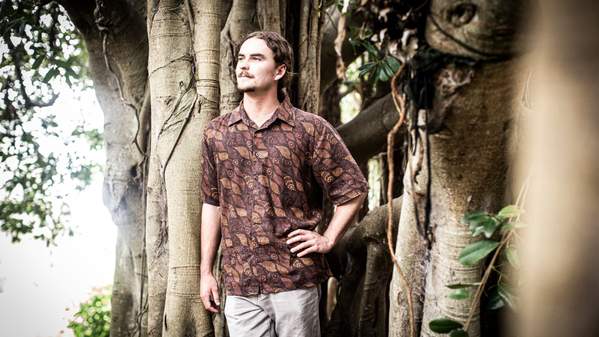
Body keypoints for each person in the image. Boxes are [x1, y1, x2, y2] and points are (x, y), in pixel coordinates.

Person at [199, 31, 368, 337]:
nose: (243, 66)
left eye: (256, 58)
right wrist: (206, 272)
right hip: (240, 284)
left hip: (295, 279)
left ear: (279, 71)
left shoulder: (310, 129)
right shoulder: (217, 133)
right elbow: (212, 203)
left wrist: (328, 239)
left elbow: (352, 188)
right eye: (240, 58)